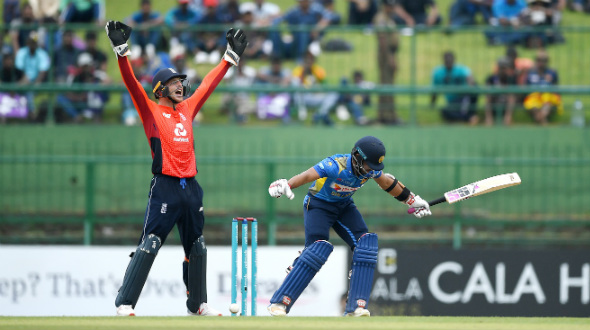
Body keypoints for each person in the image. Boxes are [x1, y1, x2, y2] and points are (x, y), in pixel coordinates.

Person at [105, 20, 248, 316]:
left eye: (180, 82)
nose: (180, 85)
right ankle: (126, 303)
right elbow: (132, 83)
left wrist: (228, 59)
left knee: (197, 245)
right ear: (160, 90)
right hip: (165, 187)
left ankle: (197, 304)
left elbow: (208, 84)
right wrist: (122, 52)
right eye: (173, 83)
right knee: (151, 243)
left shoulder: (187, 109)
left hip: (191, 188)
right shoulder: (151, 112)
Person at [266, 136, 432, 317]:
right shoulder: (335, 165)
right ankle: (280, 303)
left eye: (374, 168)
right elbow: (308, 176)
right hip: (318, 206)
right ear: (357, 157)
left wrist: (412, 200)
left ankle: (356, 307)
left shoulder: (371, 171)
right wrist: (287, 184)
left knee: (365, 244)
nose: (370, 171)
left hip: (344, 207)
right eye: (368, 166)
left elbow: (387, 182)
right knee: (316, 250)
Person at [430, 51, 478, 125]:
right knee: (445, 111)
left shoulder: (462, 69)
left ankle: (470, 116)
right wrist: (432, 104)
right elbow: (435, 91)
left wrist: (470, 83)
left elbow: (471, 81)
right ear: (443, 61)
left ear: (454, 60)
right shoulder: (438, 72)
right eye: (447, 60)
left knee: (474, 89)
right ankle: (469, 118)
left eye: (450, 60)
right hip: (452, 101)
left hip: (463, 96)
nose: (449, 62)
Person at [373, 0, 400, 125]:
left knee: (389, 84)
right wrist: (390, 57)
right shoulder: (381, 18)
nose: (391, 8)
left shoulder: (389, 18)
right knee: (386, 85)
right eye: (389, 6)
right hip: (385, 55)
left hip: (390, 54)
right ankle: (386, 116)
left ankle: (389, 115)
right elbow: (382, 38)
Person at [523, 49, 562, 125]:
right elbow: (525, 87)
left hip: (547, 97)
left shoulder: (552, 72)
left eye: (544, 60)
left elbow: (556, 89)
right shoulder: (530, 72)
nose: (541, 62)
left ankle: (540, 119)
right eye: (539, 60)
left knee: (547, 103)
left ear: (547, 61)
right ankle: (543, 123)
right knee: (534, 104)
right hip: (533, 97)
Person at [484, 57, 517, 125]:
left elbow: (512, 97)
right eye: (501, 68)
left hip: (505, 107)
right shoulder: (491, 79)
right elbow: (487, 98)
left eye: (505, 68)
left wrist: (508, 116)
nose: (503, 70)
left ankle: (508, 118)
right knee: (488, 96)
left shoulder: (511, 79)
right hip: (494, 105)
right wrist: (488, 117)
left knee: (512, 97)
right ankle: (489, 118)